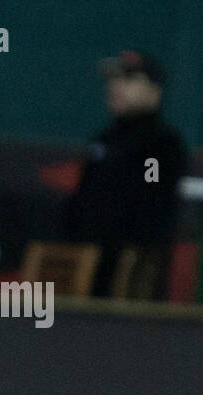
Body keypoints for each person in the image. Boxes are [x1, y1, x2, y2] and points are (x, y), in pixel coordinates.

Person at [66, 50, 186, 298]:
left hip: (129, 271)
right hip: (85, 264)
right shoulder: (105, 139)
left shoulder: (162, 143)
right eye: (113, 79)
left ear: (155, 91)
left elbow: (151, 209)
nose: (117, 86)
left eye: (129, 79)